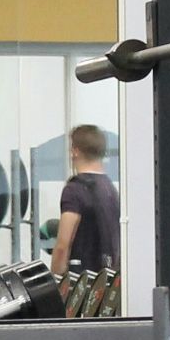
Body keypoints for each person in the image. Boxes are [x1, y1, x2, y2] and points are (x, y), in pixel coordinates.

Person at [50, 124, 120, 294]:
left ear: (75, 151)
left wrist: (56, 283)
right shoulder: (110, 189)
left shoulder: (74, 190)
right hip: (107, 282)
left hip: (81, 285)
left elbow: (62, 244)